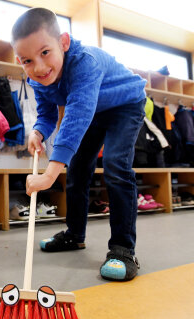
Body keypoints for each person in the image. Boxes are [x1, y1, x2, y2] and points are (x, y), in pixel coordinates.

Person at [12, 8, 147, 281]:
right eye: (27, 60)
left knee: (115, 166)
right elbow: (48, 114)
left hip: (125, 105)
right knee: (77, 169)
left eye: (45, 53)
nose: (38, 67)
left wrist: (50, 174)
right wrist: (37, 132)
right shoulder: (38, 78)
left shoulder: (85, 62)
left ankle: (123, 249)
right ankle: (75, 235)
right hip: (95, 110)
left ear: (63, 42)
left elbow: (76, 116)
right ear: (19, 60)